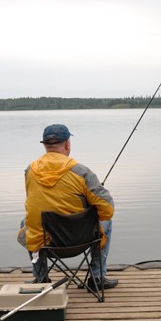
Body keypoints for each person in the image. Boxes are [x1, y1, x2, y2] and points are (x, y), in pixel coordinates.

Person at [17, 123, 117, 289]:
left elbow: (33, 202)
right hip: (80, 240)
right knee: (107, 222)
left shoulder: (30, 171)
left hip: (45, 241)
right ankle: (97, 277)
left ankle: (41, 279)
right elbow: (107, 209)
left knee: (25, 223)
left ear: (45, 146)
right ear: (68, 144)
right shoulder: (81, 172)